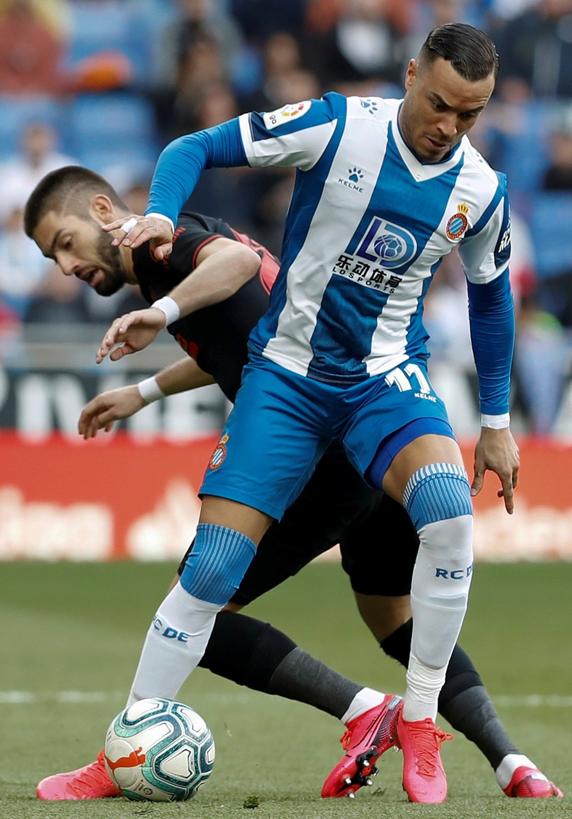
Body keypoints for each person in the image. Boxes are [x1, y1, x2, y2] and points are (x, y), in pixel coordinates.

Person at [72, 23, 523, 804]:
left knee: (450, 513)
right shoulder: (339, 124)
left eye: (470, 114)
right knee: (210, 571)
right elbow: (192, 148)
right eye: (441, 103)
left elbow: (491, 296)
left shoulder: (480, 190)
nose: (449, 125)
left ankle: (419, 723)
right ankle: (117, 755)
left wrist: (496, 418)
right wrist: (159, 214)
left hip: (385, 378)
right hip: (285, 375)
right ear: (412, 75)